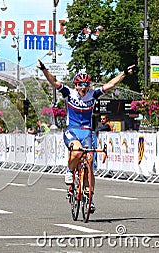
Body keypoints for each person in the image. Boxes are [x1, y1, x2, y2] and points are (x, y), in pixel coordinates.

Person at [37, 59, 135, 212]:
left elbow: (110, 85)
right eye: (80, 85)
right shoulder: (69, 93)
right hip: (72, 130)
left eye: (86, 85)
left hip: (87, 132)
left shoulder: (93, 94)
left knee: (89, 161)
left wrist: (124, 73)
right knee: (76, 151)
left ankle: (90, 196)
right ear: (76, 85)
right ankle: (69, 171)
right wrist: (44, 69)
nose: (83, 87)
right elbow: (54, 82)